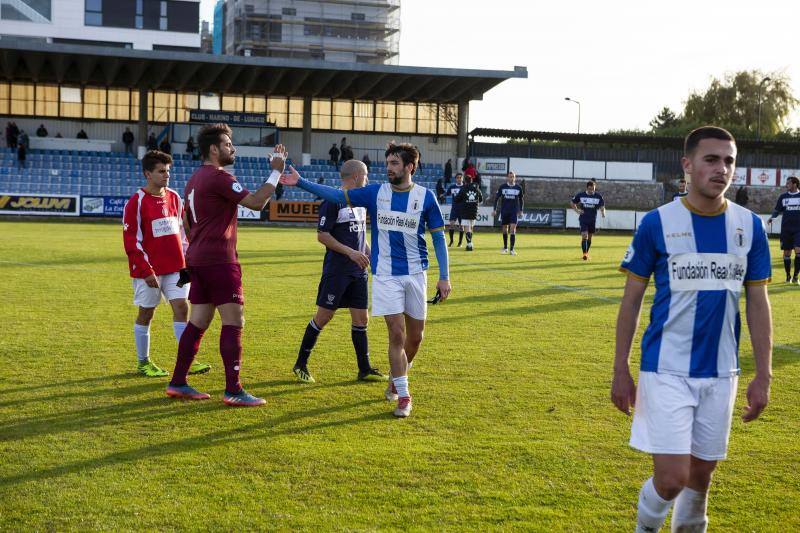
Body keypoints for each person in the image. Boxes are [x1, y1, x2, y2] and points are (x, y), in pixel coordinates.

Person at [613, 126, 772, 533]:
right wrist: (620, 368)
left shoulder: (750, 226)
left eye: (729, 161)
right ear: (687, 165)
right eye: (711, 159)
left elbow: (758, 303)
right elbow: (631, 302)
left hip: (721, 373)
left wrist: (763, 374)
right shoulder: (657, 223)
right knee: (671, 480)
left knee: (700, 481)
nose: (722, 169)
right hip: (665, 370)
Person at [281, 142, 451, 418]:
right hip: (385, 275)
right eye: (387, 163)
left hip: (416, 274)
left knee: (415, 338)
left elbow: (439, 239)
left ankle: (396, 380)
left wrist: (444, 277)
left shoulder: (426, 197)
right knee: (396, 334)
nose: (388, 168)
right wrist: (301, 182)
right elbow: (337, 196)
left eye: (394, 163)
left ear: (409, 167)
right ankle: (404, 396)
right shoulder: (375, 192)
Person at [165, 123, 287, 407]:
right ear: (214, 149)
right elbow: (257, 202)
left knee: (198, 322)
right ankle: (234, 389)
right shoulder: (219, 177)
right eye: (228, 144)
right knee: (234, 322)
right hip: (219, 260)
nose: (233, 148)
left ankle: (178, 382)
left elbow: (186, 222)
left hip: (199, 259)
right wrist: (277, 170)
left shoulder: (194, 179)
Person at [292, 159, 385, 384]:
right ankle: (300, 364)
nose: (367, 180)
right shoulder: (333, 201)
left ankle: (364, 369)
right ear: (355, 177)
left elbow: (359, 235)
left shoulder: (360, 202)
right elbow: (322, 235)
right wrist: (351, 253)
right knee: (324, 316)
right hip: (338, 270)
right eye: (365, 176)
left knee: (362, 319)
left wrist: (369, 254)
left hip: (358, 270)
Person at [122, 150, 211, 378]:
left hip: (177, 268)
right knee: (146, 313)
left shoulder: (174, 197)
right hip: (149, 271)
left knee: (182, 308)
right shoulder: (136, 202)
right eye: (161, 171)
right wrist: (145, 270)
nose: (166, 175)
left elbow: (183, 233)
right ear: (147, 174)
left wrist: (189, 259)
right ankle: (143, 362)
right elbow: (132, 241)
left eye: (168, 171)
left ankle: (187, 360)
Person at [767, 175, 800, 283]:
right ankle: (788, 276)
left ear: (795, 184)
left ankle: (796, 277)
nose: (787, 185)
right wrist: (772, 217)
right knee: (787, 253)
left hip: (798, 229)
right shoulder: (783, 197)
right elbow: (777, 210)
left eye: (788, 183)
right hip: (786, 229)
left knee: (798, 251)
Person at [570, 181, 605, 260]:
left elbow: (602, 206)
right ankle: (584, 255)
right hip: (583, 219)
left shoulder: (598, 196)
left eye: (593, 189)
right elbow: (572, 202)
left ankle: (586, 253)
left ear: (595, 188)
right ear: (587, 188)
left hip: (592, 220)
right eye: (590, 189)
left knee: (589, 238)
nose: (591, 190)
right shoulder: (581, 195)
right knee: (584, 236)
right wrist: (577, 211)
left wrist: (603, 213)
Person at [493, 171, 524, 255]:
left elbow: (521, 200)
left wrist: (521, 210)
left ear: (515, 178)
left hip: (514, 212)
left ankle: (512, 249)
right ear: (507, 178)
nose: (511, 178)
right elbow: (496, 198)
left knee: (513, 229)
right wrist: (494, 209)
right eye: (510, 177)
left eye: (513, 177)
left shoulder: (518, 188)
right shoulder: (502, 187)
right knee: (504, 229)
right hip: (504, 211)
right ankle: (505, 247)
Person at [455, 174, 483, 251]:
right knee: (471, 227)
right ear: (471, 180)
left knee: (467, 227)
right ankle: (470, 243)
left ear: (465, 181)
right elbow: (481, 199)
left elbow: (457, 199)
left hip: (465, 210)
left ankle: (469, 244)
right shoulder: (477, 188)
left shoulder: (463, 188)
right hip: (474, 210)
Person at [446, 173, 465, 247]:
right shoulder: (452, 187)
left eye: (460, 177)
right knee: (451, 225)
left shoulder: (464, 187)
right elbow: (447, 194)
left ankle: (460, 242)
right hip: (454, 209)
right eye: (457, 178)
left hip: (462, 209)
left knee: (461, 226)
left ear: (462, 178)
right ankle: (451, 241)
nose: (459, 179)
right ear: (456, 179)